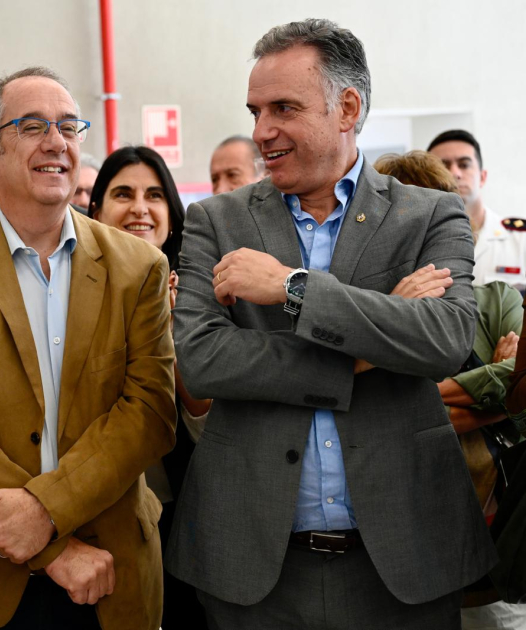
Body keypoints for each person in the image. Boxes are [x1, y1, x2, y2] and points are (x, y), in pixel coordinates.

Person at [165, 19, 495, 629]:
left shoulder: (429, 213)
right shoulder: (215, 221)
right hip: (254, 569)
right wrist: (369, 349)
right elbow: (204, 361)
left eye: (284, 108)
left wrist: (292, 290)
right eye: (255, 110)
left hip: (404, 564)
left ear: (347, 107)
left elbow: (445, 339)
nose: (262, 131)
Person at [0, 66, 176, 630]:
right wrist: (53, 549)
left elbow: (148, 415)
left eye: (70, 126)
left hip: (109, 575)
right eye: (34, 125)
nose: (57, 142)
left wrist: (45, 511)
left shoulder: (139, 267)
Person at [375, 150, 526, 629]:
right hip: (394, 557)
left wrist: (422, 393)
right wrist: (493, 398)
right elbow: (368, 415)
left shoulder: (495, 298)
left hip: (496, 551)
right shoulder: (368, 314)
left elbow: (519, 390)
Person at [87, 144, 208, 630]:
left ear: (171, 216)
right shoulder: (67, 291)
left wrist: (173, 326)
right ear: (94, 212)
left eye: (154, 194)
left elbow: (204, 422)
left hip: (184, 513)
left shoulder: (204, 296)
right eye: (123, 193)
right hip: (93, 515)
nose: (140, 207)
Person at [428, 129, 526, 290]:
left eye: (464, 164)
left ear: (482, 177)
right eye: (443, 166)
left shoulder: (520, 240)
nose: (454, 173)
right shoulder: (416, 241)